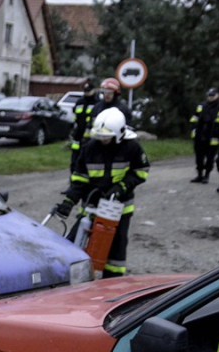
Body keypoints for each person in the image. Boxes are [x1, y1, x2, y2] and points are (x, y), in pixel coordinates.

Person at [52, 108, 150, 277]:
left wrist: (121, 188)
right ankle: (66, 277)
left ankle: (112, 281)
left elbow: (141, 171)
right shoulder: (90, 148)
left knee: (116, 249)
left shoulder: (131, 147)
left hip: (120, 208)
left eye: (107, 137)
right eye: (100, 136)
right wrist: (69, 202)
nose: (103, 139)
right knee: (75, 241)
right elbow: (80, 179)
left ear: (119, 134)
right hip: (93, 205)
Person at [189, 87, 219, 184]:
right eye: (209, 95)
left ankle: (206, 175)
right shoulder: (202, 106)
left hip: (213, 137)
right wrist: (193, 130)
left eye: (212, 95)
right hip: (200, 136)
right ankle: (199, 175)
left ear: (217, 95)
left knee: (210, 158)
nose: (210, 97)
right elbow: (194, 118)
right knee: (199, 157)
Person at [68, 78, 96, 171]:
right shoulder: (80, 101)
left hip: (90, 135)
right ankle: (73, 174)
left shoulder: (97, 102)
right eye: (85, 91)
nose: (86, 93)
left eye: (88, 91)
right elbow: (75, 114)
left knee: (88, 157)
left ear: (93, 90)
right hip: (78, 134)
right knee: (75, 156)